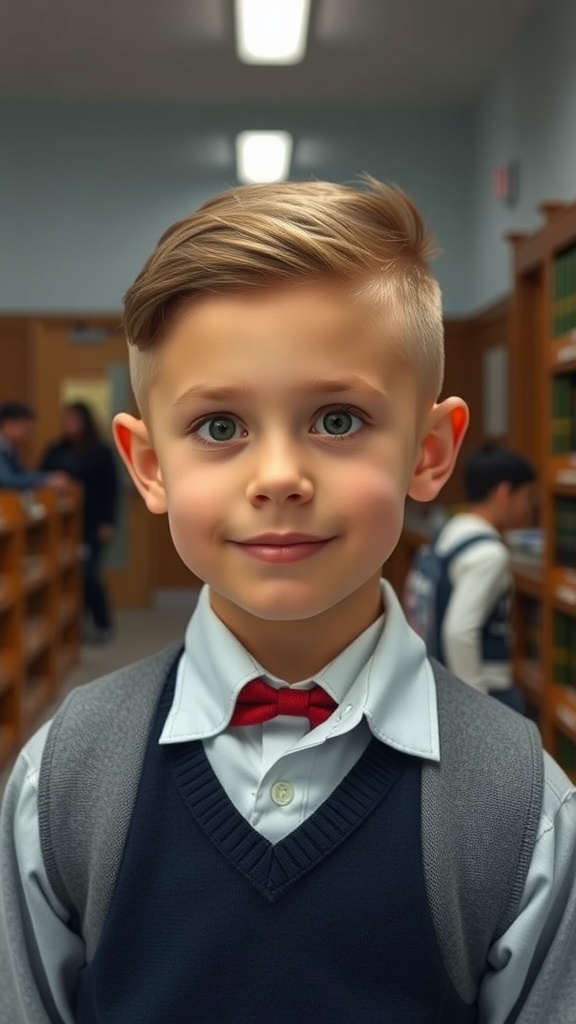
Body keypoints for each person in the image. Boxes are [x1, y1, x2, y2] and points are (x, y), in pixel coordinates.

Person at [1, 178, 575, 1023]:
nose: (277, 478)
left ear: (430, 449)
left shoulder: (524, 805)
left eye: (338, 420)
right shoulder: (65, 776)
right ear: (150, 465)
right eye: (221, 427)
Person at [429, 444, 536, 712]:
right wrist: (476, 706)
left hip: (439, 677)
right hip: (486, 687)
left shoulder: (451, 530)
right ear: (503, 493)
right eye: (526, 496)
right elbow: (459, 632)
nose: (527, 507)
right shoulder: (489, 554)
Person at [40, 401, 119, 643]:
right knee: (66, 577)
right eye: (65, 419)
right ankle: (73, 627)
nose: (67, 424)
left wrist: (108, 522)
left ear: (84, 423)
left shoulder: (100, 451)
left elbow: (111, 489)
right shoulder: (55, 449)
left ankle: (102, 622)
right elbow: (41, 477)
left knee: (88, 575)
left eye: (72, 420)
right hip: (60, 527)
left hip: (92, 523)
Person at [0, 400, 70, 492]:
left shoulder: (12, 449)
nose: (27, 435)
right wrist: (45, 480)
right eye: (25, 429)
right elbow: (6, 480)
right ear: (9, 424)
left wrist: (47, 476)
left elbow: (21, 475)